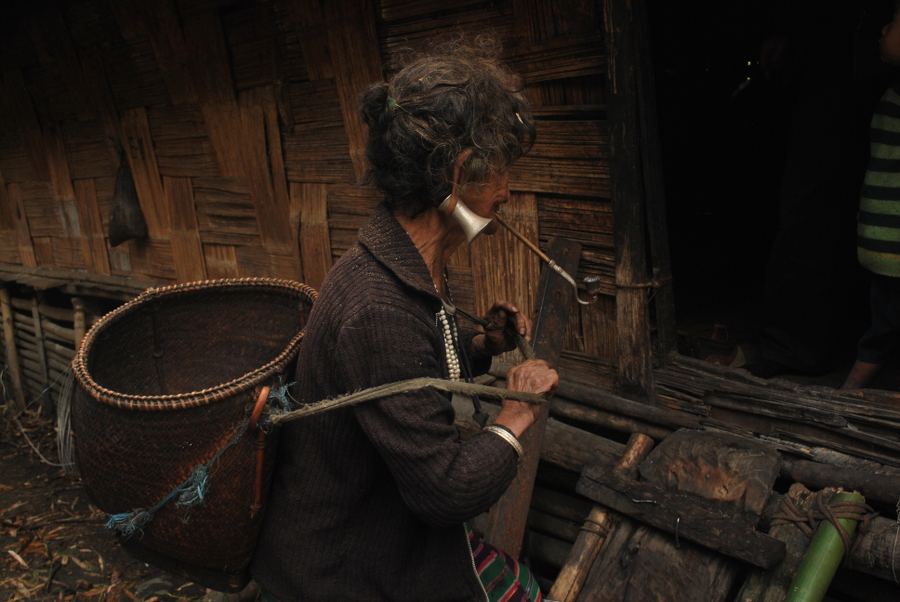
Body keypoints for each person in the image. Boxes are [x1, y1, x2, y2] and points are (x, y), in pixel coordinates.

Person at [251, 37, 559, 602]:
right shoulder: (379, 306)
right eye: (503, 173)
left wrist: (480, 345)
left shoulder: (406, 263)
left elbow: (406, 377)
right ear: (460, 173)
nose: (507, 194)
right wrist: (517, 413)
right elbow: (444, 493)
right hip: (341, 571)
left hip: (380, 538)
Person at [842, 5, 900, 390]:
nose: (882, 29)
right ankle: (847, 401)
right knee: (884, 325)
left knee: (884, 328)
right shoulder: (890, 94)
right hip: (890, 256)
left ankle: (847, 399)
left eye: (895, 21)